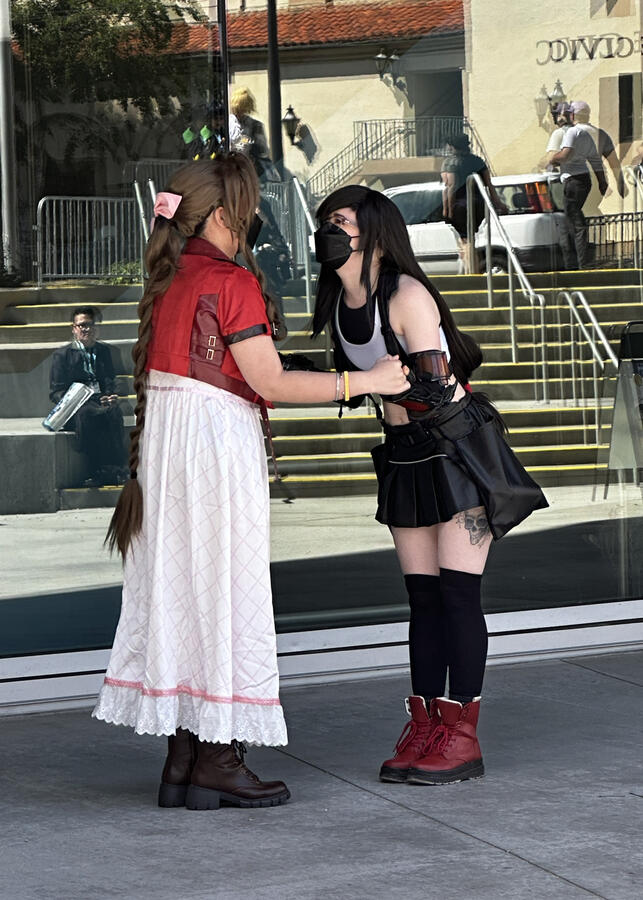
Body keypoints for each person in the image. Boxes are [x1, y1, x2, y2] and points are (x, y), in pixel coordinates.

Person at [92, 154, 408, 811]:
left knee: (182, 588)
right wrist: (367, 381)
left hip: (168, 449)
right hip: (213, 446)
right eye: (245, 208)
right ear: (219, 216)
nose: (253, 219)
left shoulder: (170, 278)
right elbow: (270, 382)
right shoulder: (230, 281)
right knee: (224, 590)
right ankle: (216, 758)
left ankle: (183, 759)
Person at [312, 185, 548, 785]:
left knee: (458, 595)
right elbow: (367, 381)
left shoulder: (406, 292)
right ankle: (425, 723)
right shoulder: (340, 301)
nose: (331, 231)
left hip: (455, 450)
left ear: (374, 229)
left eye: (342, 221)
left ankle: (461, 735)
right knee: (422, 599)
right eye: (327, 222)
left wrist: (365, 382)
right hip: (403, 456)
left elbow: (433, 390)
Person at [49, 306, 127, 486]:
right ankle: (97, 470)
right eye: (82, 325)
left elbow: (110, 379)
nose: (86, 329)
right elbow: (56, 392)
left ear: (96, 327)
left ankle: (118, 468)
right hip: (77, 407)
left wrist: (111, 395)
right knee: (88, 414)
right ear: (73, 328)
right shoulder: (62, 355)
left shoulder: (104, 352)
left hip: (100, 401)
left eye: (90, 325)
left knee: (114, 412)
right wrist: (78, 399)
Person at [550, 100, 625, 269]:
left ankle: (577, 263)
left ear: (573, 115)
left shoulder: (571, 133)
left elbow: (564, 156)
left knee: (574, 223)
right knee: (587, 220)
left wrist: (552, 160)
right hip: (592, 184)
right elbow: (607, 161)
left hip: (575, 181)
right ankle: (591, 256)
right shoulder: (599, 134)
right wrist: (613, 183)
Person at [440, 133, 507, 273]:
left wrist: (447, 209)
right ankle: (471, 269)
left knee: (465, 240)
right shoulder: (477, 161)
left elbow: (450, 186)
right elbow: (489, 184)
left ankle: (471, 272)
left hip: (460, 205)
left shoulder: (450, 162)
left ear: (452, 146)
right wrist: (498, 203)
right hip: (478, 204)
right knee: (470, 239)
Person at [229, 86, 279, 183]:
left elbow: (263, 151)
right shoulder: (228, 123)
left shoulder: (255, 125)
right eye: (239, 109)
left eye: (243, 109)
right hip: (230, 169)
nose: (241, 112)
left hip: (249, 170)